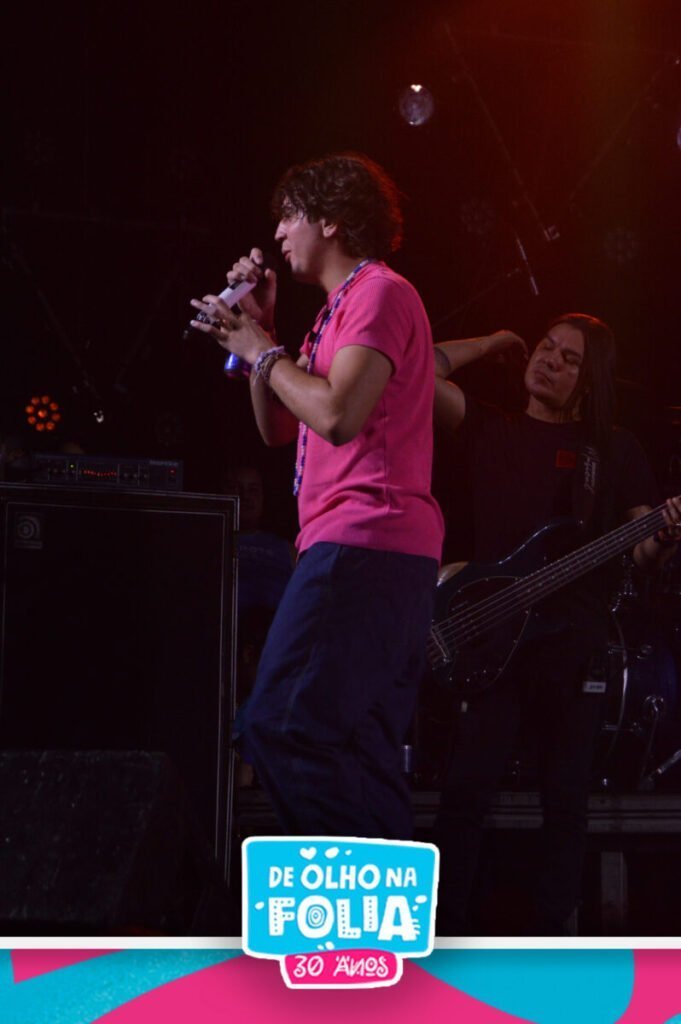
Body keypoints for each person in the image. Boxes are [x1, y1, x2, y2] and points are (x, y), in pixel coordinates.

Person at [190, 153, 444, 838]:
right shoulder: (333, 313)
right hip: (365, 550)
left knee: (278, 724)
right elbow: (278, 428)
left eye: (289, 215)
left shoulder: (380, 293)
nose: (277, 233)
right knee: (357, 750)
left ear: (330, 219)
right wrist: (264, 335)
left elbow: (335, 415)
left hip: (366, 541)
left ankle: (343, 894)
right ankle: (376, 903)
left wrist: (260, 351)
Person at [431, 315, 681, 934]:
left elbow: (642, 548)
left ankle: (555, 942)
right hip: (493, 641)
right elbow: (416, 369)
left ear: (588, 383)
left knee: (566, 805)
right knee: (464, 795)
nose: (549, 360)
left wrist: (665, 536)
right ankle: (445, 933)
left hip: (573, 650)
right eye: (546, 347)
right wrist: (490, 341)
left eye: (570, 359)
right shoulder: (490, 426)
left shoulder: (612, 449)